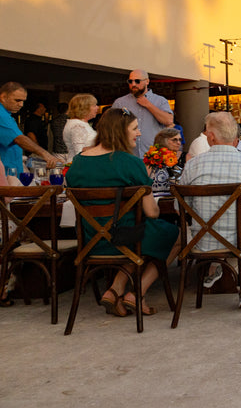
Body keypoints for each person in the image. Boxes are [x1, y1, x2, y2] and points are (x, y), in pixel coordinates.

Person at [65, 108, 180, 316]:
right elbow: (152, 212)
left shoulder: (78, 163)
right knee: (174, 235)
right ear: (119, 131)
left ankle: (115, 290)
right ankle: (136, 294)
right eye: (135, 128)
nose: (139, 133)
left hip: (91, 239)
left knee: (135, 233)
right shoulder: (131, 163)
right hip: (124, 238)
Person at [179, 112, 241, 305]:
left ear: (211, 137)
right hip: (237, 240)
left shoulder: (192, 165)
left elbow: (179, 208)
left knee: (219, 230)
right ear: (235, 138)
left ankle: (214, 267)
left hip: (200, 241)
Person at [0, 81, 59, 175]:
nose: (21, 105)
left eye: (23, 101)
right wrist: (45, 154)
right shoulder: (1, 114)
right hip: (6, 174)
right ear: (3, 97)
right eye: (17, 100)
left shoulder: (7, 114)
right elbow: (19, 138)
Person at [112, 69, 173, 157]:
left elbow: (168, 120)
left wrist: (148, 105)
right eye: (130, 81)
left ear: (147, 81)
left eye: (137, 81)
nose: (133, 84)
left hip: (153, 156)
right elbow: (111, 126)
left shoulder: (160, 101)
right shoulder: (120, 102)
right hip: (128, 155)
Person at [63, 93, 99, 160]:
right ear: (84, 108)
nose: (97, 107)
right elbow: (79, 152)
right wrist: (102, 147)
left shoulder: (81, 123)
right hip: (80, 165)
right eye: (94, 105)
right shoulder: (78, 126)